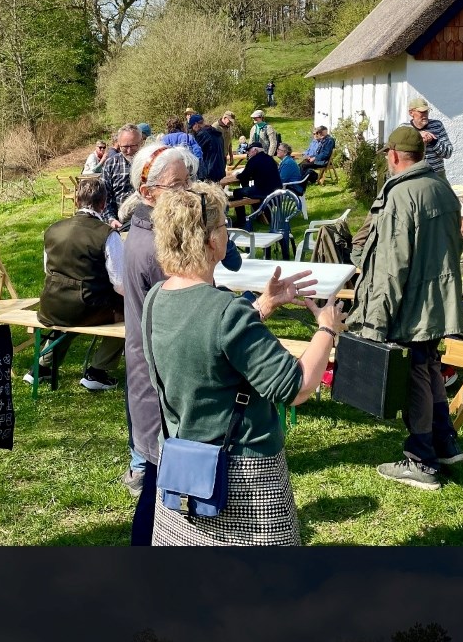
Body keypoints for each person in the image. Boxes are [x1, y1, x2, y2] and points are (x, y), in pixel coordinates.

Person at [141, 181, 345, 545]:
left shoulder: (157, 299)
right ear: (210, 241)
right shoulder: (226, 311)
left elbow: (205, 341)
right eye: (222, 227)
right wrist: (327, 329)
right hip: (245, 479)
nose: (227, 235)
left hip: (181, 470)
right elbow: (295, 387)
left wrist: (262, 306)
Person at [123, 140, 243, 524]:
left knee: (160, 480)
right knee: (161, 487)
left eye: (189, 180)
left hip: (156, 376)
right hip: (164, 383)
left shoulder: (151, 230)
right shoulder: (158, 247)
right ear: (148, 193)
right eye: (177, 186)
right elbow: (195, 312)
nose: (188, 191)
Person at [345, 124, 463, 487]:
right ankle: (444, 441)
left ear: (394, 155)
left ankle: (422, 459)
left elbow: (391, 263)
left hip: (411, 302)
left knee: (416, 374)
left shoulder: (402, 194)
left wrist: (375, 322)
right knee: (429, 367)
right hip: (437, 297)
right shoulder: (441, 188)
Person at [38, 173, 126, 393]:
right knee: (129, 312)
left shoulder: (53, 229)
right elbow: (120, 284)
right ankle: (97, 372)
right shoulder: (107, 234)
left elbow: (47, 268)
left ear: (77, 201)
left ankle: (41, 367)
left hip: (51, 305)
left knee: (69, 313)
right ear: (103, 203)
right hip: (86, 307)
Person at [226, 140, 282, 220]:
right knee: (246, 191)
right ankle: (262, 216)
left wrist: (238, 175)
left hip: (263, 191)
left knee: (237, 192)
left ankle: (241, 220)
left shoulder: (253, 160)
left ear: (255, 150)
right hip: (276, 191)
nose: (248, 153)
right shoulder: (270, 159)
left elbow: (244, 175)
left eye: (249, 151)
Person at [101, 124, 143, 221]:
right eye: (125, 147)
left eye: (133, 146)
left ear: (141, 142)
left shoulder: (151, 162)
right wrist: (110, 219)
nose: (129, 151)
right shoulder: (111, 164)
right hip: (119, 223)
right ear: (118, 144)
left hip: (147, 223)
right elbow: (104, 197)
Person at [406, 96, 453, 176]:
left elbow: (448, 153)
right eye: (421, 112)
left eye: (426, 111)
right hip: (414, 175)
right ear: (411, 113)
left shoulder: (437, 125)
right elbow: (403, 155)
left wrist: (433, 141)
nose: (425, 115)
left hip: (437, 174)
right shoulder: (405, 129)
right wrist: (417, 138)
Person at [189, 113, 227, 182]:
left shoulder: (202, 134)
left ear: (196, 124)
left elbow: (195, 153)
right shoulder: (216, 132)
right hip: (220, 170)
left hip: (209, 173)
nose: (192, 130)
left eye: (192, 127)